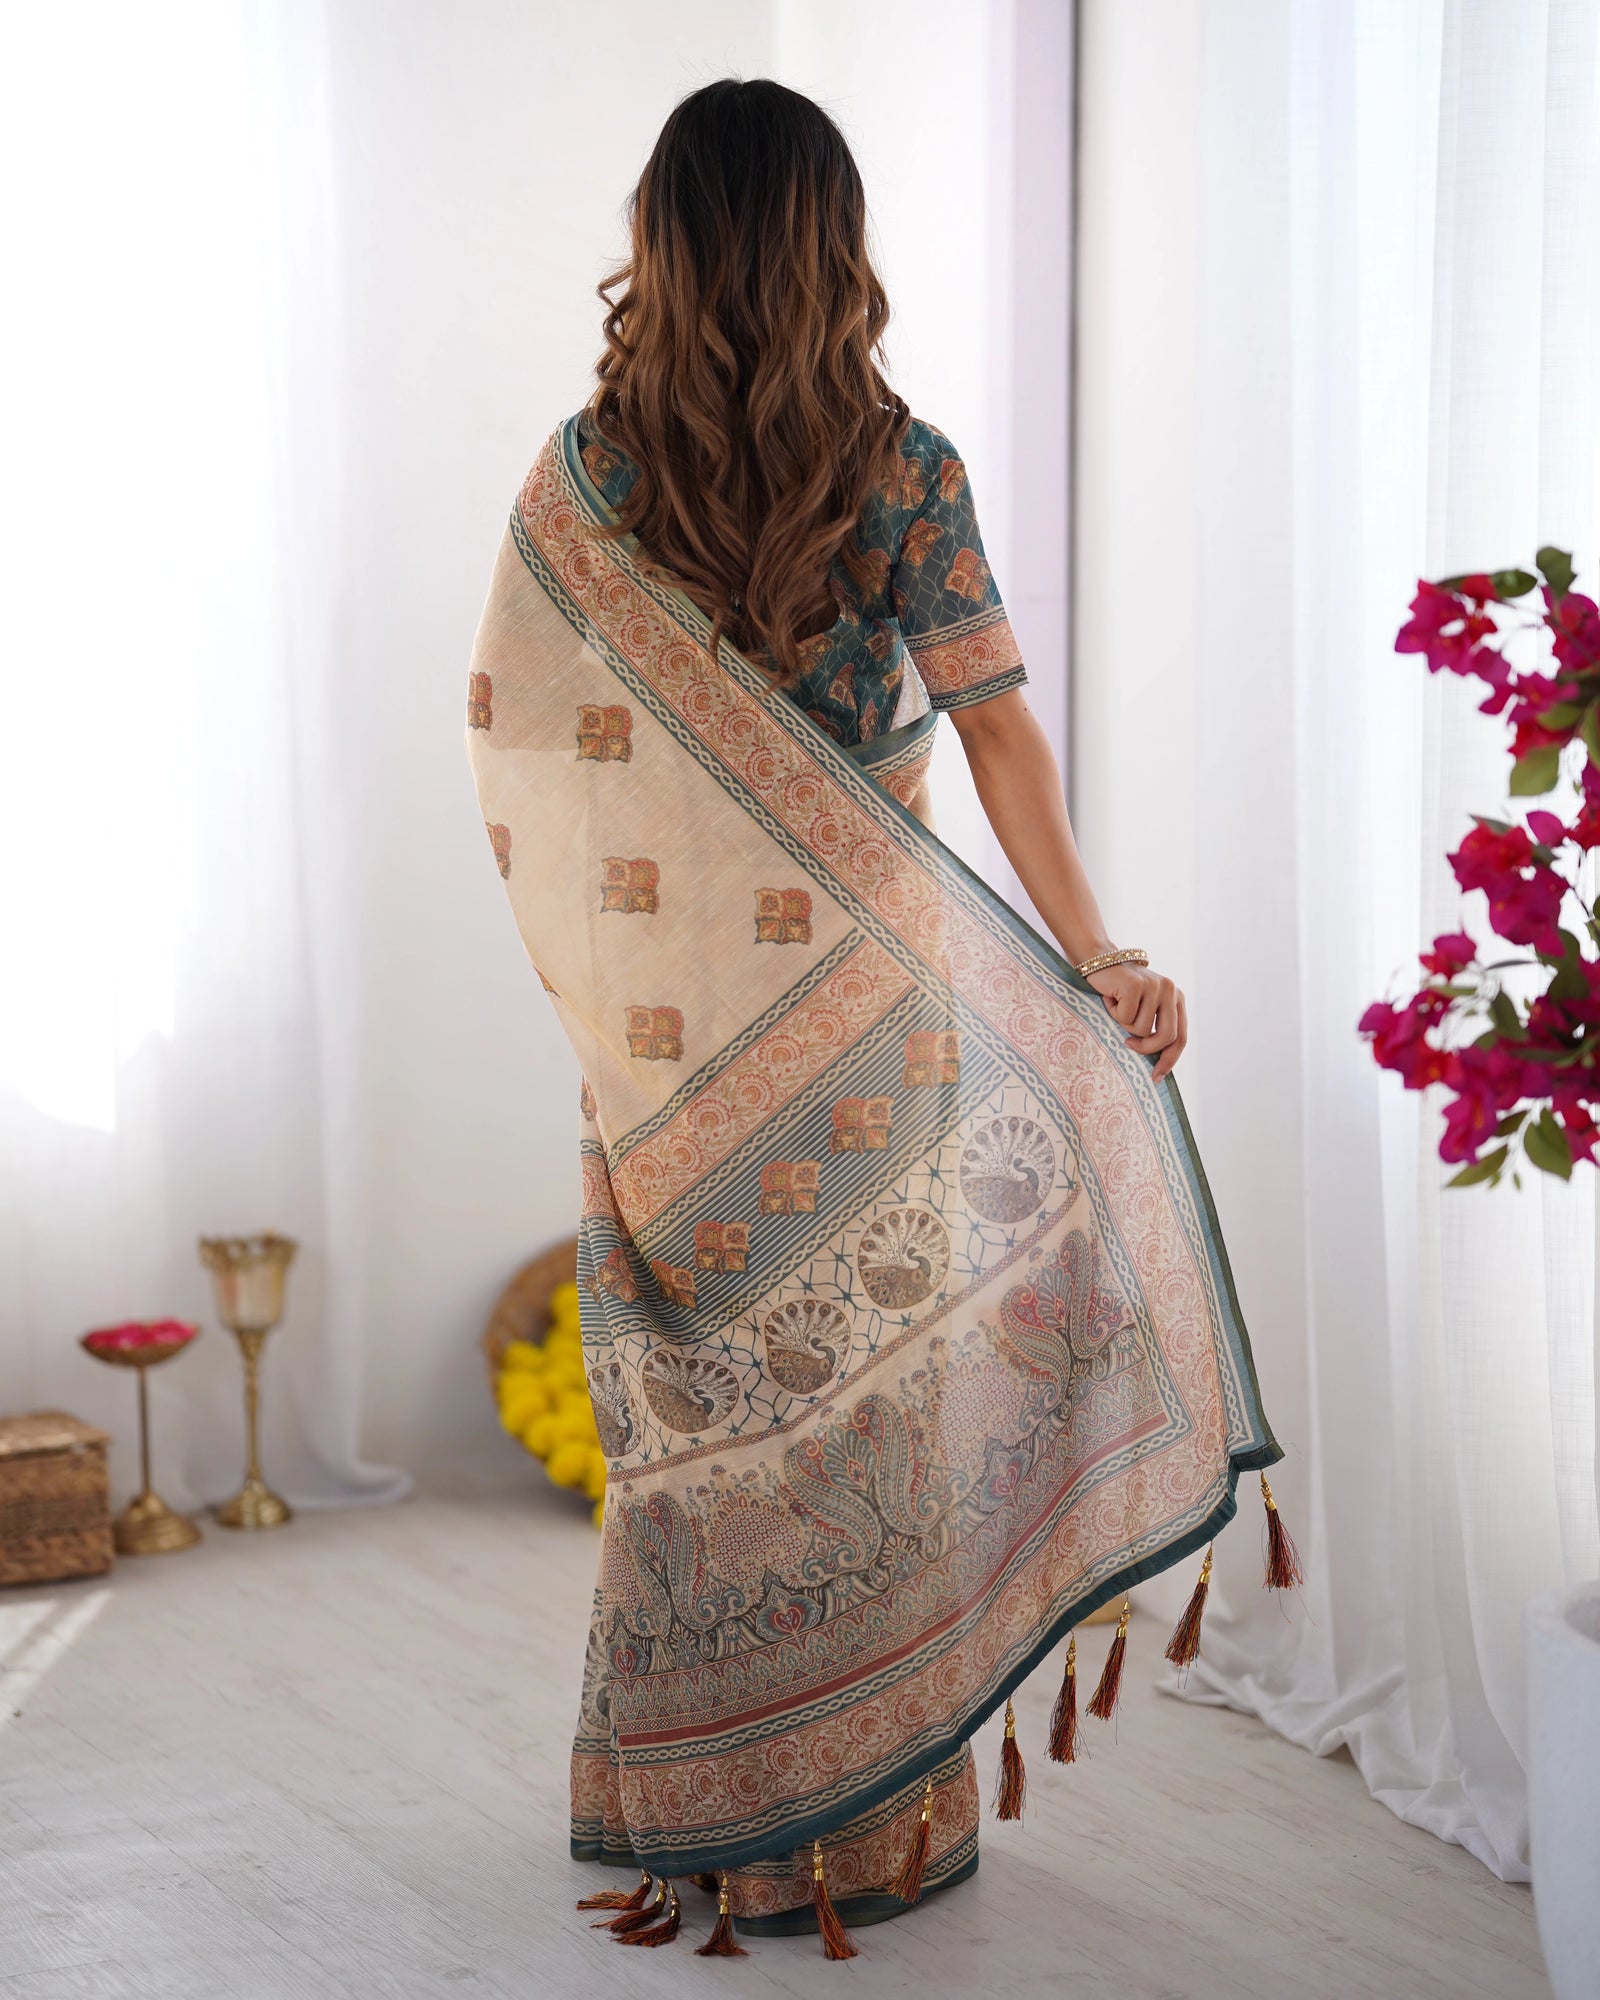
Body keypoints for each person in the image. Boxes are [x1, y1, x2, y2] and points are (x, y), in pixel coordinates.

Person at [465, 76, 1283, 1959]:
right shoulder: (901, 461)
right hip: (880, 1021)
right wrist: (1090, 956)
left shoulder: (586, 478)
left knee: (708, 1417)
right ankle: (870, 1831)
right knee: (873, 1413)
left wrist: (625, 983)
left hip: (673, 1047)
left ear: (659, 242)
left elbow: (519, 748)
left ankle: (727, 1831)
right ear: (836, 245)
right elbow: (994, 727)